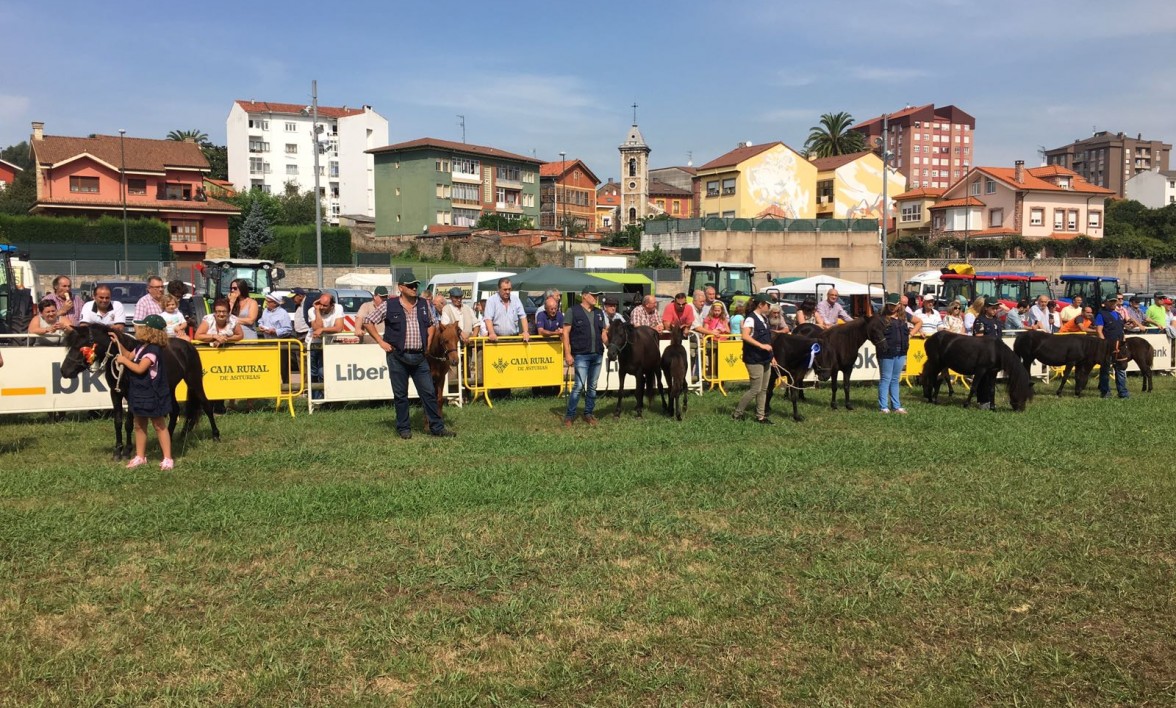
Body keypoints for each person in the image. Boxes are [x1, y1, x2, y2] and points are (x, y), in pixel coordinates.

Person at [362, 272, 455, 438]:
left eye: (416, 285)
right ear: (401, 288)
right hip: (397, 356)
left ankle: (437, 427)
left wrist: (428, 341)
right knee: (401, 395)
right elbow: (368, 321)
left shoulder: (424, 304)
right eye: (410, 285)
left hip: (419, 357)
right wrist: (380, 341)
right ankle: (404, 428)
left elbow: (432, 323)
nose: (414, 288)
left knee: (428, 393)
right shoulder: (389, 305)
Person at [109, 314, 173, 471]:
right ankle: (140, 456)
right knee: (139, 424)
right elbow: (128, 355)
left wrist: (124, 362)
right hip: (138, 393)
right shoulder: (140, 347)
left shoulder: (153, 350)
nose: (136, 329)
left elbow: (140, 368)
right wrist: (118, 341)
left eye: (140, 327)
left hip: (152, 393)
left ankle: (167, 458)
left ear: (149, 331)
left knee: (159, 425)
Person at [562, 287, 609, 427]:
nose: (596, 298)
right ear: (584, 296)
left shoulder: (599, 312)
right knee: (579, 386)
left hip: (597, 354)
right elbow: (565, 333)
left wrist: (609, 345)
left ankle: (588, 413)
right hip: (581, 354)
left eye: (597, 295)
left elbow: (603, 333)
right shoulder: (572, 311)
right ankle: (569, 416)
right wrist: (568, 354)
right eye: (593, 295)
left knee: (592, 386)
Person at [732, 293, 774, 424]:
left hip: (765, 358)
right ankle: (737, 414)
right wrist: (761, 346)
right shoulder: (751, 319)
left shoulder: (764, 318)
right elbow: (745, 336)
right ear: (761, 304)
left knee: (764, 389)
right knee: (755, 389)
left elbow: (767, 340)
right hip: (754, 358)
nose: (769, 307)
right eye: (768, 304)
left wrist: (772, 357)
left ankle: (760, 416)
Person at [870, 297, 910, 414]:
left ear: (899, 305)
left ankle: (896, 406)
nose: (892, 307)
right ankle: (883, 407)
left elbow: (918, 321)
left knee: (895, 379)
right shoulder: (880, 318)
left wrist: (910, 334)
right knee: (886, 379)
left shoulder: (903, 317)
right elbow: (873, 333)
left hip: (901, 351)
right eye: (890, 305)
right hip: (886, 353)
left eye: (894, 305)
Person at [306, 293, 344, 399]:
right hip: (314, 344)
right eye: (320, 304)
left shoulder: (338, 308)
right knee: (313, 372)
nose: (321, 307)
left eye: (325, 305)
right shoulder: (312, 310)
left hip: (329, 345)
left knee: (323, 371)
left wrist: (322, 330)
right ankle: (315, 399)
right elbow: (317, 327)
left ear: (332, 305)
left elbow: (339, 328)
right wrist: (317, 310)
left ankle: (326, 398)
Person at [1095, 295, 1129, 399]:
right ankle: (1105, 392)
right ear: (1106, 302)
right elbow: (1099, 331)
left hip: (1120, 346)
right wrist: (1104, 344)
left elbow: (1121, 329)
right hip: (1107, 346)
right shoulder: (1101, 314)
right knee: (1105, 370)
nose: (1114, 303)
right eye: (1111, 302)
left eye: (1115, 301)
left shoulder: (1118, 315)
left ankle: (1123, 393)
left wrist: (1123, 341)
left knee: (1121, 369)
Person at [483, 277, 529, 342]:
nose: (507, 292)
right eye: (505, 289)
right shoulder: (491, 300)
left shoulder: (516, 299)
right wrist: (491, 333)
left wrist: (525, 331)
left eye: (509, 289)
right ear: (498, 289)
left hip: (514, 338)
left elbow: (523, 316)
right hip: (497, 339)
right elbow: (488, 319)